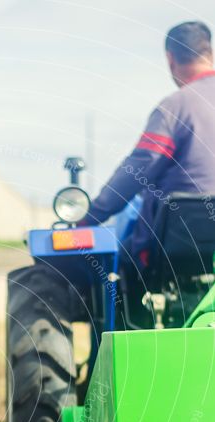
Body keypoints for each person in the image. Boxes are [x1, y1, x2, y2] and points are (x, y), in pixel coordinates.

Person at [84, 21, 215, 267]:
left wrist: (90, 216)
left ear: (170, 59)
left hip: (178, 248)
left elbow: (140, 168)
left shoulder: (176, 107)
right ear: (210, 53)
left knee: (114, 266)